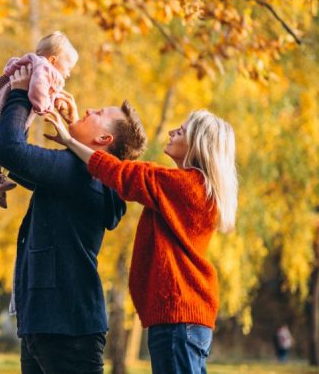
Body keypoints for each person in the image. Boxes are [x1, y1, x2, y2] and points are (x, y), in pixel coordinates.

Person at [44, 100, 239, 374]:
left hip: (178, 316)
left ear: (197, 146)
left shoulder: (182, 186)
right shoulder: (193, 188)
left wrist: (69, 138)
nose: (172, 132)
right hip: (186, 319)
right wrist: (76, 130)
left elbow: (119, 172)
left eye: (181, 132)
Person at [0, 67, 147, 373]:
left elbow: (9, 150)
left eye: (98, 113)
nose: (88, 109)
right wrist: (73, 125)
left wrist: (23, 93)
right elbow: (20, 164)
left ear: (104, 137)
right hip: (51, 323)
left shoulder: (79, 174)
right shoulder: (80, 173)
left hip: (66, 326)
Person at [0, 31, 79, 209]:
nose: (68, 73)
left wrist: (54, 98)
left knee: (1, 150)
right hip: (0, 117)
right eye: (68, 66)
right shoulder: (44, 68)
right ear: (53, 60)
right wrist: (44, 107)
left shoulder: (31, 63)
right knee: (3, 152)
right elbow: (38, 89)